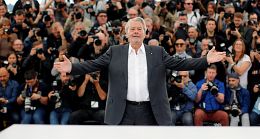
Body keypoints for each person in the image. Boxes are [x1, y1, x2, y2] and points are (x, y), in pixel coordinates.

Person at [54, 17, 226, 126]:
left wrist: (206, 60)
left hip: (150, 111)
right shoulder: (115, 51)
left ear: (145, 33)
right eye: (132, 29)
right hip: (122, 111)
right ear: (126, 33)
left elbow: (180, 64)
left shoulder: (157, 52)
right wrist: (72, 68)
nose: (136, 32)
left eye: (139, 29)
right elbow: (94, 65)